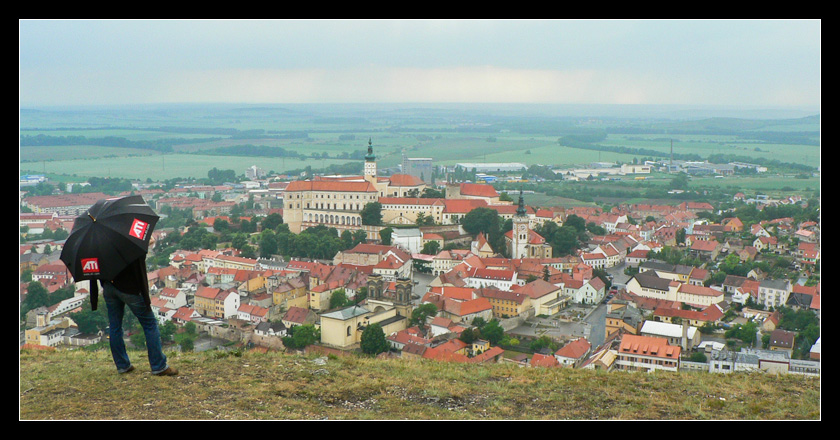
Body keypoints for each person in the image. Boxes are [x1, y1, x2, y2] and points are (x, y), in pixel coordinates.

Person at [100, 258, 178, 376]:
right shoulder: (127, 242)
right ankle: (158, 366)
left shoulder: (100, 243)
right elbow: (144, 245)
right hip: (129, 287)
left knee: (114, 325)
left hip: (109, 286)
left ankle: (122, 365)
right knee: (150, 324)